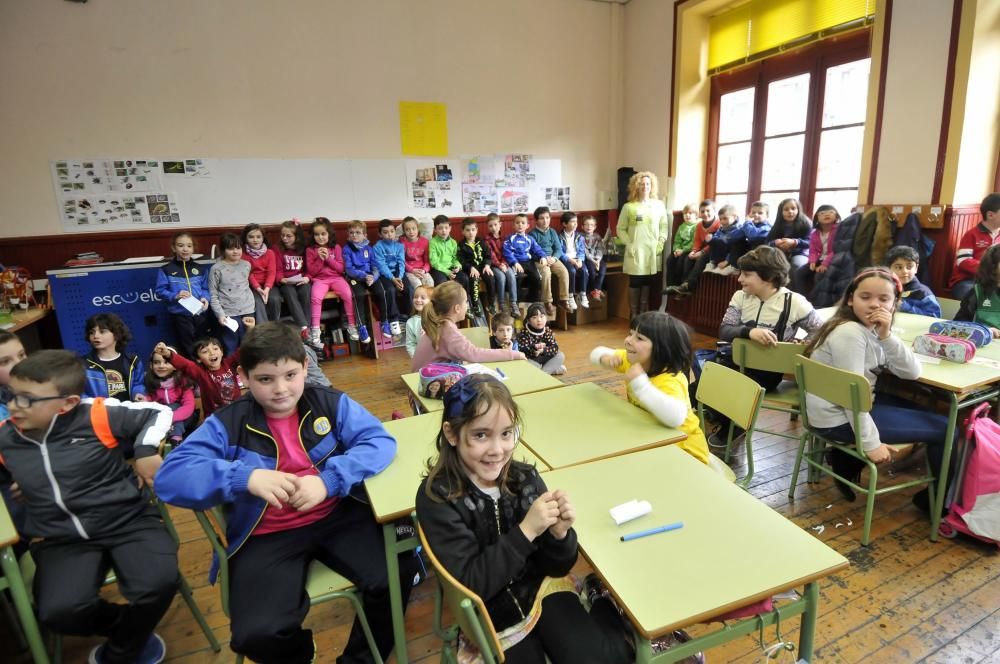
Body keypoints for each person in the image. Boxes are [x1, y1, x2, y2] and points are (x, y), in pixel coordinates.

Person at [155, 322, 417, 664]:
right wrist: (243, 477)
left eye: (291, 375)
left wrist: (329, 481)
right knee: (256, 635)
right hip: (267, 534)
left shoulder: (329, 402)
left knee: (398, 571)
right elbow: (170, 477)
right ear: (244, 377)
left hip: (335, 515)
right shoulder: (227, 422)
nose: (281, 389)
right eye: (265, 379)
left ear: (305, 368)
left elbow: (379, 441)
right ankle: (299, 656)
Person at [415, 375, 633, 664]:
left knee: (597, 659)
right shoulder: (439, 498)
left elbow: (558, 567)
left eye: (506, 433)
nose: (497, 450)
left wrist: (559, 536)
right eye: (480, 435)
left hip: (540, 591)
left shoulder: (524, 479)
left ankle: (603, 605)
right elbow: (471, 585)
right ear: (452, 434)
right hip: (490, 613)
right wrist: (526, 531)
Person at [0, 350, 176, 664]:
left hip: (128, 520)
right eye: (12, 396)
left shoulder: (93, 414)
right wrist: (26, 484)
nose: (14, 406)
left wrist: (146, 450)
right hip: (61, 537)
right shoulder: (7, 437)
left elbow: (156, 412)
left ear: (66, 403)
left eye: (27, 399)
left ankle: (121, 652)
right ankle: (128, 630)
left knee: (158, 583)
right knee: (58, 611)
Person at [804, 268, 951, 512]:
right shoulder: (850, 333)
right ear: (850, 299)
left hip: (835, 410)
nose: (874, 305)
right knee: (947, 428)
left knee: (927, 409)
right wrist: (870, 444)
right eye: (865, 297)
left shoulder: (865, 329)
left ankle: (846, 460)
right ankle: (937, 503)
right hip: (838, 417)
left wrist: (886, 335)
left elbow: (912, 372)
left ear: (895, 304)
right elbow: (850, 395)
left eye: (884, 299)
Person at [709, 246, 823, 449]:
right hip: (735, 364)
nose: (739, 279)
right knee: (701, 386)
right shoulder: (740, 297)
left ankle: (733, 423)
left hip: (767, 374)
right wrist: (749, 332)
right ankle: (730, 422)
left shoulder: (795, 302)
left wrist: (804, 344)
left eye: (746, 274)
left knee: (721, 386)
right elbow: (725, 330)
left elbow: (821, 331)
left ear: (768, 277)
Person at [590, 312, 709, 464]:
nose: (628, 341)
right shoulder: (635, 361)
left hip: (685, 453)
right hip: (652, 442)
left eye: (639, 338)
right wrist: (604, 358)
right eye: (630, 334)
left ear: (661, 348)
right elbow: (596, 352)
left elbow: (675, 418)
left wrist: (641, 386)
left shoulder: (671, 380)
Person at [410, 282, 524, 372]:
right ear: (457, 308)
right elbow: (474, 354)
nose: (467, 306)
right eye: (466, 302)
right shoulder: (447, 329)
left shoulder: (441, 323)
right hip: (427, 387)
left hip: (423, 383)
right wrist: (512, 354)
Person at [154, 332, 245, 417]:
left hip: (237, 409)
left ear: (221, 352)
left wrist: (250, 329)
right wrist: (167, 354)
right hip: (215, 415)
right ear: (199, 359)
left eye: (215, 348)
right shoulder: (200, 372)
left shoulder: (229, 364)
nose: (212, 353)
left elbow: (244, 350)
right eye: (205, 351)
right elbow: (185, 364)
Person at [306, 217, 365, 346]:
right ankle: (315, 329)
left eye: (323, 234)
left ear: (329, 234)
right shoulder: (310, 250)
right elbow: (312, 272)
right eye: (317, 234)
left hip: (336, 278)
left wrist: (328, 258)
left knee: (348, 294)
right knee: (315, 297)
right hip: (320, 280)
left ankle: (351, 324)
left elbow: (340, 268)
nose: (320, 237)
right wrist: (320, 259)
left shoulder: (336, 247)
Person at [616, 171, 669, 315]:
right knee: (636, 281)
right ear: (636, 186)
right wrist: (630, 243)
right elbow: (620, 229)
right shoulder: (629, 207)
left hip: (652, 251)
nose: (645, 186)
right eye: (641, 184)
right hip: (635, 251)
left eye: (648, 183)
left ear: (652, 186)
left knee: (647, 281)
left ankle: (643, 314)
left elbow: (664, 226)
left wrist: (661, 241)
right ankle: (634, 315)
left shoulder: (659, 205)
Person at [155, 231, 212, 359]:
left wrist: (205, 298)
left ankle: (204, 367)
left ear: (193, 248)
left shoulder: (201, 269)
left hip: (199, 312)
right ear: (174, 248)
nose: (185, 249)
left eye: (189, 246)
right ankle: (192, 368)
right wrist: (175, 295)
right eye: (181, 245)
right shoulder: (166, 269)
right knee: (187, 345)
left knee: (203, 342)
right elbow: (160, 291)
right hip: (180, 314)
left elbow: (205, 288)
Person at [344, 219, 399, 340]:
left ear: (364, 235)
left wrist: (373, 277)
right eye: (351, 232)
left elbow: (375, 266)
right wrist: (363, 276)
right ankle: (362, 327)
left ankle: (385, 322)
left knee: (381, 291)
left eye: (358, 232)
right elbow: (349, 269)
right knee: (358, 295)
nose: (354, 235)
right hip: (355, 277)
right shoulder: (347, 249)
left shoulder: (369, 248)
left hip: (370, 277)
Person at [209, 233, 257, 354]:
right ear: (223, 250)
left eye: (238, 247)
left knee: (249, 344)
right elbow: (213, 294)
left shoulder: (246, 265)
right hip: (228, 313)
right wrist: (220, 314)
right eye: (230, 248)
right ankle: (232, 371)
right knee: (230, 345)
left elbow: (245, 285)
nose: (235, 251)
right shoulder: (216, 268)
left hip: (247, 310)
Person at [274, 219, 318, 346]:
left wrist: (307, 278)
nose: (285, 238)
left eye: (289, 236)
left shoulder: (304, 249)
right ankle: (305, 327)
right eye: (282, 235)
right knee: (290, 294)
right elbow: (278, 269)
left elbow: (310, 269)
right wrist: (281, 279)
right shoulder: (277, 249)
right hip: (286, 282)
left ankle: (308, 328)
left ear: (296, 236)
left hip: (301, 280)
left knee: (306, 292)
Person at [82, 312, 146, 401]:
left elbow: (138, 384)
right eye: (91, 332)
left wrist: (137, 393)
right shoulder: (82, 364)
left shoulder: (132, 361)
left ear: (116, 334)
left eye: (102, 331)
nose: (95, 336)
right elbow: (79, 393)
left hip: (130, 412)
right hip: (101, 413)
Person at [949, 192, 1000, 300]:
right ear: (990, 215)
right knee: (972, 294)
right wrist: (989, 268)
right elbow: (963, 261)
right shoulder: (972, 234)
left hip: (992, 280)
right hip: (967, 280)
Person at [666, 199, 719, 297]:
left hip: (713, 251)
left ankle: (686, 286)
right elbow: (697, 240)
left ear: (714, 212)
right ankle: (676, 287)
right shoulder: (699, 225)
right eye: (702, 211)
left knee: (690, 260)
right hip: (699, 250)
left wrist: (701, 251)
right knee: (682, 259)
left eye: (708, 211)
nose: (705, 213)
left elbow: (713, 244)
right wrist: (694, 251)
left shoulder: (718, 224)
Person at [145, 348, 197, 444]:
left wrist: (170, 417)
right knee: (162, 409)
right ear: (151, 365)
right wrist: (144, 400)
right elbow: (149, 402)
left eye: (166, 362)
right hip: (162, 419)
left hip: (184, 418)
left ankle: (175, 440)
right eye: (156, 362)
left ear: (175, 365)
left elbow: (189, 407)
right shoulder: (150, 383)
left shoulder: (183, 382)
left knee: (173, 406)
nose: (161, 366)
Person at [529, 206, 573, 314]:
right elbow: (531, 252)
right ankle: (547, 302)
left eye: (547, 217)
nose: (545, 221)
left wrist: (554, 258)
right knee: (546, 272)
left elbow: (558, 249)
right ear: (536, 220)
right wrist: (542, 258)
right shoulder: (532, 234)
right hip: (540, 260)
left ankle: (564, 299)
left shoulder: (552, 232)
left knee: (564, 271)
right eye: (542, 218)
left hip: (552, 258)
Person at [372, 219, 412, 334]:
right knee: (390, 290)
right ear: (380, 234)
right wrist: (393, 279)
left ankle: (409, 316)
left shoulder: (399, 246)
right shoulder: (377, 247)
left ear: (395, 232)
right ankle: (394, 319)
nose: (389, 234)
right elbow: (381, 265)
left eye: (392, 231)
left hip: (398, 273)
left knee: (409, 288)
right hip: (385, 274)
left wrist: (399, 277)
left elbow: (401, 262)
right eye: (385, 232)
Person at [766, 198, 812, 295]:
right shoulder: (777, 225)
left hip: (801, 253)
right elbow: (767, 243)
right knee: (776, 268)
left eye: (793, 208)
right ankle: (781, 297)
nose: (790, 212)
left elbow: (811, 242)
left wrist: (795, 242)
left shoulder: (806, 223)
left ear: (798, 210)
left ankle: (800, 297)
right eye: (786, 209)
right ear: (781, 212)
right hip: (782, 254)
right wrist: (776, 243)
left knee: (797, 266)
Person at [503, 213, 547, 307]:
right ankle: (517, 303)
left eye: (523, 223)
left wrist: (543, 256)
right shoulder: (510, 238)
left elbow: (537, 249)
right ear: (513, 225)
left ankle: (533, 302)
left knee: (536, 278)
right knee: (518, 278)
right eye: (517, 223)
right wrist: (514, 262)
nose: (520, 225)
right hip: (516, 263)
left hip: (528, 262)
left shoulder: (529, 238)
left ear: (527, 226)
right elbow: (507, 252)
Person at [955, 244, 1000, 335]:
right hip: (985, 343)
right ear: (993, 266)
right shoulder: (977, 291)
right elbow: (959, 323)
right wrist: (986, 330)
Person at [886, 245, 940, 318]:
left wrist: (905, 307)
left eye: (909, 267)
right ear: (889, 269)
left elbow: (934, 318)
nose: (904, 271)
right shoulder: (884, 289)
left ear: (916, 268)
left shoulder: (924, 293)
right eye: (898, 267)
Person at [242, 223, 281, 323]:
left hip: (268, 285)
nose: (255, 240)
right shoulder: (243, 254)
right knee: (258, 302)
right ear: (246, 238)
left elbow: (271, 272)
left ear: (263, 238)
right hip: (252, 286)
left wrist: (267, 289)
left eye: (258, 237)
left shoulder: (270, 253)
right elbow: (249, 274)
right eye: (251, 237)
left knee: (275, 299)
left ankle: (274, 327)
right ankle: (264, 330)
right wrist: (258, 289)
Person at [484, 212, 520, 317]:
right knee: (501, 277)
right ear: (488, 227)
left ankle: (513, 303)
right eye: (490, 226)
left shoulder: (505, 238)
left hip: (505, 263)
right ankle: (502, 303)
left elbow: (507, 252)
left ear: (500, 224)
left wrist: (504, 263)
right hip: (494, 265)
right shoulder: (487, 239)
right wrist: (499, 265)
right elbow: (491, 255)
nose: (493, 228)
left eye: (495, 225)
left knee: (511, 275)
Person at [456, 217, 493, 317]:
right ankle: (476, 305)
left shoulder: (481, 242)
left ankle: (491, 304)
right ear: (463, 232)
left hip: (483, 267)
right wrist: (470, 267)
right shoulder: (461, 245)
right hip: (471, 269)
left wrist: (487, 265)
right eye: (467, 230)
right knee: (473, 279)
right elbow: (461, 260)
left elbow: (488, 255)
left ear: (477, 230)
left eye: (473, 230)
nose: (470, 233)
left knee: (490, 277)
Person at [516, 303, 566, 375]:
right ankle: (551, 370)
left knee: (560, 355)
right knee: (525, 365)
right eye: (534, 317)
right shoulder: (524, 332)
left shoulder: (547, 331)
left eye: (542, 316)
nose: (539, 320)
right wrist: (535, 347)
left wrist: (543, 350)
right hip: (532, 360)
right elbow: (523, 349)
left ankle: (542, 373)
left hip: (545, 357)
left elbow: (554, 347)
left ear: (546, 318)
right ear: (528, 320)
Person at [429, 215, 469, 296]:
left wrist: (457, 265)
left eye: (446, 228)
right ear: (435, 230)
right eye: (440, 228)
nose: (444, 231)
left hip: (451, 268)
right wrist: (447, 272)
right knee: (441, 283)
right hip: (438, 269)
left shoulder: (453, 242)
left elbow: (455, 258)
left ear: (450, 228)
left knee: (464, 278)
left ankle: (466, 301)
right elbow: (434, 262)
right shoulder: (432, 242)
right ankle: (443, 305)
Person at [558, 211, 589, 309]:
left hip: (577, 259)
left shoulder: (579, 236)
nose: (575, 224)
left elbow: (581, 250)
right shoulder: (559, 237)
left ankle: (583, 294)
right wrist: (570, 260)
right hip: (567, 259)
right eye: (572, 222)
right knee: (572, 271)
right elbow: (560, 252)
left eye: (576, 221)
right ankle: (570, 296)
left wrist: (580, 260)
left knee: (584, 270)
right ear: (564, 224)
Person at [704, 204, 744, 276]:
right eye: (720, 219)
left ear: (734, 217)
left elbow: (732, 244)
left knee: (736, 242)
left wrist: (727, 261)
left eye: (725, 218)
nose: (722, 221)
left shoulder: (739, 229)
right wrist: (710, 239)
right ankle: (713, 263)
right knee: (713, 240)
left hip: (731, 254)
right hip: (723, 252)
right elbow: (717, 240)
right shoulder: (721, 228)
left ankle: (731, 266)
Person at [665, 204, 698, 288]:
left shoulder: (697, 226)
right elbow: (677, 241)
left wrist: (683, 251)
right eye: (685, 213)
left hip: (689, 251)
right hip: (679, 250)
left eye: (690, 213)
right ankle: (670, 285)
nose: (687, 215)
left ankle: (680, 284)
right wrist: (676, 250)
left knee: (681, 261)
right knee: (670, 260)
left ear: (696, 215)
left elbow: (694, 242)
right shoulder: (681, 227)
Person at [400, 216, 435, 290]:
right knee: (417, 285)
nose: (411, 232)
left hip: (422, 270)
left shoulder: (425, 242)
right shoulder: (401, 243)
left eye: (413, 228)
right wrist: (412, 270)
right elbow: (402, 261)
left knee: (430, 283)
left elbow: (427, 261)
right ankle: (418, 301)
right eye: (407, 229)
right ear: (404, 231)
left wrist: (424, 270)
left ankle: (428, 301)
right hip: (409, 271)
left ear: (418, 229)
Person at [580, 213, 607, 302]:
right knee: (591, 271)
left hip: (597, 259)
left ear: (595, 227)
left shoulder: (597, 236)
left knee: (602, 269)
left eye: (591, 225)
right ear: (582, 226)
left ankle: (597, 290)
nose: (589, 226)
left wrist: (598, 260)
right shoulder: (580, 237)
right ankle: (595, 290)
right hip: (587, 259)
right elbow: (585, 252)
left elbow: (600, 249)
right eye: (586, 224)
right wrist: (593, 261)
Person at [808, 205, 840, 276]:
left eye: (831, 212)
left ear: (836, 216)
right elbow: (813, 251)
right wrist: (812, 261)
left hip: (834, 260)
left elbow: (836, 250)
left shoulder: (839, 230)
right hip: (820, 259)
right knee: (800, 272)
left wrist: (825, 264)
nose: (827, 214)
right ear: (817, 218)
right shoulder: (814, 234)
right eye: (822, 213)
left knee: (819, 275)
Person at [405, 284, 433, 358]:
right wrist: (417, 359)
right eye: (415, 297)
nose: (418, 300)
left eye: (423, 298)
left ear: (431, 301)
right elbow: (411, 345)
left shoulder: (438, 318)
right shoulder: (410, 322)